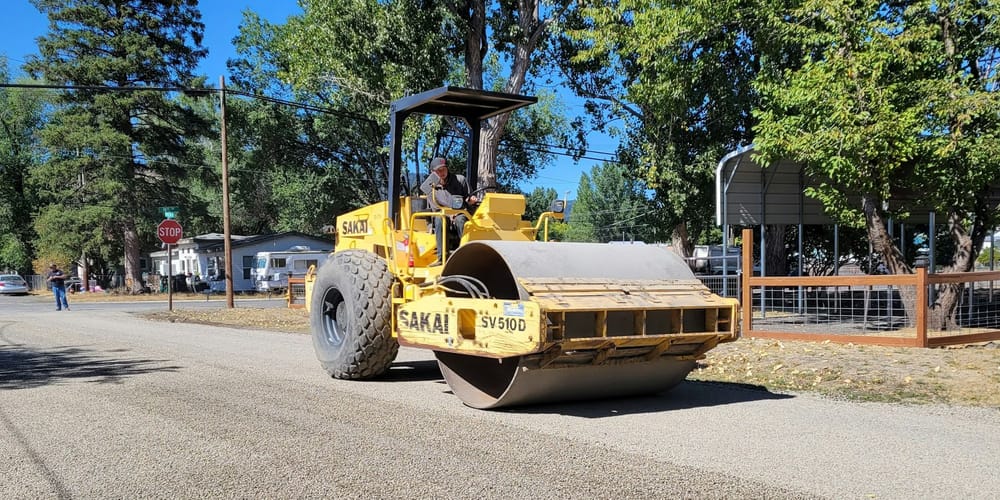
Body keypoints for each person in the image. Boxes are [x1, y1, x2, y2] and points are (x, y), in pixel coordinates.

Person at [420, 157, 479, 264]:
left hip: (460, 213)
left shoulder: (460, 180)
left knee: (461, 220)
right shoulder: (430, 188)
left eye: (443, 169)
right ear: (433, 173)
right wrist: (449, 215)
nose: (441, 172)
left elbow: (468, 199)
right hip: (443, 214)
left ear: (447, 168)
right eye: (438, 170)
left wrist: (471, 202)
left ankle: (466, 256)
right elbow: (436, 209)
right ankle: (442, 258)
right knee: (439, 219)